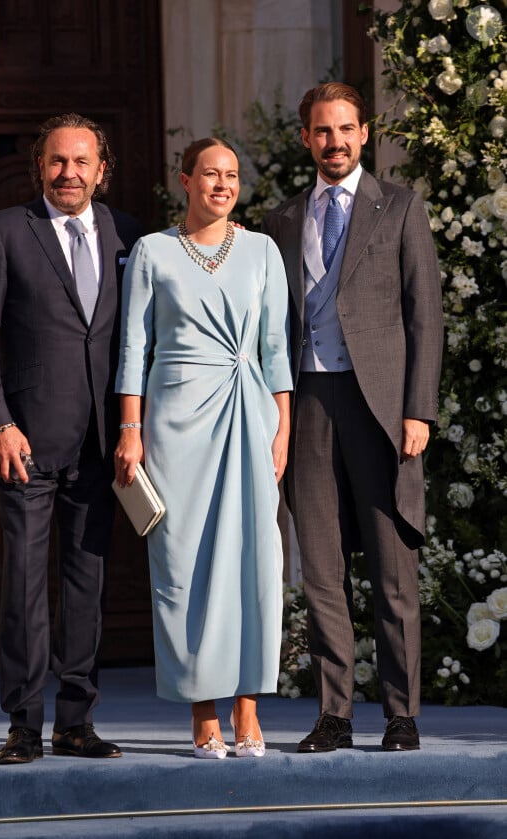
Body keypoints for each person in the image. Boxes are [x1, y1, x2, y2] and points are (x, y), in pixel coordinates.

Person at [0, 113, 142, 765]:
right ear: (40, 167)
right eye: (58, 161)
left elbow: (137, 341)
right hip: (25, 443)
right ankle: (24, 724)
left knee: (86, 583)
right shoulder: (4, 232)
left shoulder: (129, 236)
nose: (69, 173)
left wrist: (134, 426)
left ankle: (75, 721)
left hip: (103, 444)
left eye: (82, 162)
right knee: (26, 585)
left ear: (101, 169)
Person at [262, 82, 443, 753]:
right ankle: (334, 714)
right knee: (321, 568)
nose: (333, 142)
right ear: (306, 138)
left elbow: (426, 314)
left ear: (364, 133)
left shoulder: (399, 206)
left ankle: (401, 713)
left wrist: (418, 408)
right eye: (320, 131)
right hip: (307, 402)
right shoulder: (281, 220)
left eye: (344, 129)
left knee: (394, 572)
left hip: (381, 409)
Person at [114, 137, 292, 758]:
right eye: (210, 174)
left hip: (250, 414)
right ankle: (203, 714)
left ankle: (249, 711)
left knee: (253, 559)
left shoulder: (264, 250)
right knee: (183, 565)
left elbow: (277, 348)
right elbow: (134, 347)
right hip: (174, 422)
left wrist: (283, 427)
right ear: (184, 181)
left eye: (232, 175)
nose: (222, 184)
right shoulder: (152, 252)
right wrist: (130, 430)